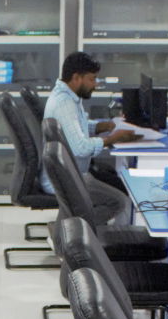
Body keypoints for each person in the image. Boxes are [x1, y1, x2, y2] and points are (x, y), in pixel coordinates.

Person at [40, 51, 140, 228]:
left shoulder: (66, 96)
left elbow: (74, 127)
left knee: (115, 183)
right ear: (76, 77)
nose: (95, 84)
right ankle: (72, 233)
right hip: (69, 178)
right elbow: (81, 148)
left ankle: (66, 231)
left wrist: (103, 126)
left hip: (69, 172)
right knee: (119, 201)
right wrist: (112, 139)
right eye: (92, 79)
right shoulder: (65, 104)